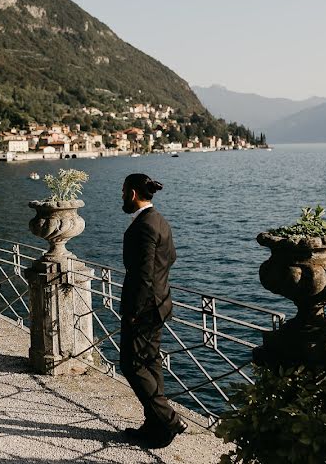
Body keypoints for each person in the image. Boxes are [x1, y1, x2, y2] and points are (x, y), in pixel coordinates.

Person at [119, 173, 187, 447]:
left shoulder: (144, 226)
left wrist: (134, 310)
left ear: (133, 194)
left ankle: (169, 419)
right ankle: (156, 428)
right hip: (160, 303)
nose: (122, 197)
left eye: (123, 192)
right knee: (150, 362)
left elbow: (144, 274)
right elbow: (171, 257)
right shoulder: (159, 221)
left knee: (131, 365)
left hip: (145, 308)